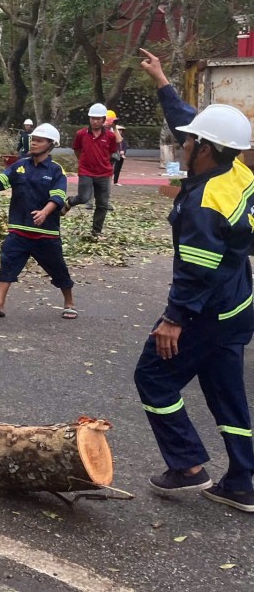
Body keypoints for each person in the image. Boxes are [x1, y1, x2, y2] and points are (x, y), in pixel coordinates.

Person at [133, 48, 254, 513]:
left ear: (204, 150)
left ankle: (186, 467)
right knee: (228, 393)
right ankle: (243, 482)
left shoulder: (205, 203)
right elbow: (192, 120)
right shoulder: (236, 171)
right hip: (238, 306)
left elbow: (195, 271)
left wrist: (173, 320)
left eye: (188, 142)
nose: (182, 143)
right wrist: (162, 79)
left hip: (205, 312)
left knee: (153, 378)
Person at [0, 123, 77, 319]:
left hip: (46, 233)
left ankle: (69, 302)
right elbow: (1, 180)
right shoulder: (20, 165)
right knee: (8, 264)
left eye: (39, 141)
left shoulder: (55, 170)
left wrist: (45, 212)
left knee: (58, 268)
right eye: (33, 140)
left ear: (51, 144)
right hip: (18, 229)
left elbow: (58, 196)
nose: (34, 143)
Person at [63, 102, 119, 238]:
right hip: (86, 171)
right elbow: (77, 150)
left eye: (98, 118)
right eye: (92, 118)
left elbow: (112, 152)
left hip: (104, 173)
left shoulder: (110, 136)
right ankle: (70, 201)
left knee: (102, 204)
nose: (94, 121)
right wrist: (84, 161)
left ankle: (96, 232)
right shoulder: (81, 134)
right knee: (84, 197)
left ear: (103, 120)